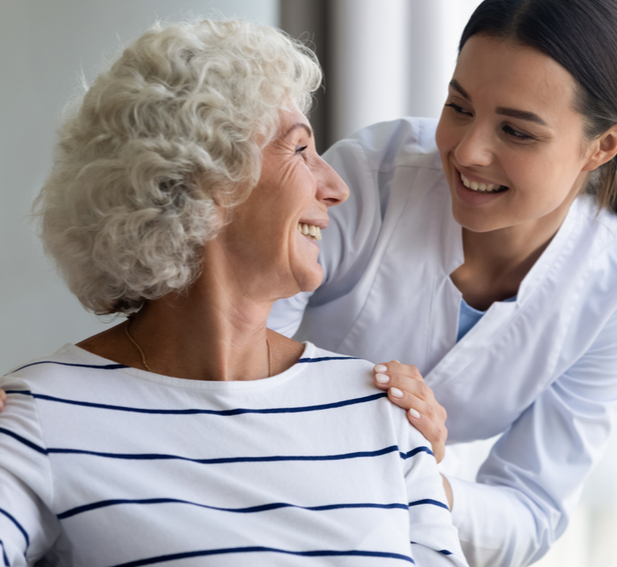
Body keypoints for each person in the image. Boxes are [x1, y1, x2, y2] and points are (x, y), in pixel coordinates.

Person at [0, 19, 466, 567]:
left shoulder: (381, 412)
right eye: (300, 149)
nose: (335, 187)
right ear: (205, 177)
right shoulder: (41, 419)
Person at [267, 0, 617, 565]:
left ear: (603, 145)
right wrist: (382, 439)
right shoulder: (367, 178)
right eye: (459, 106)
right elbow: (239, 371)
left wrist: (417, 476)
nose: (467, 151)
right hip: (261, 496)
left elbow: (531, 510)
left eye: (515, 131)